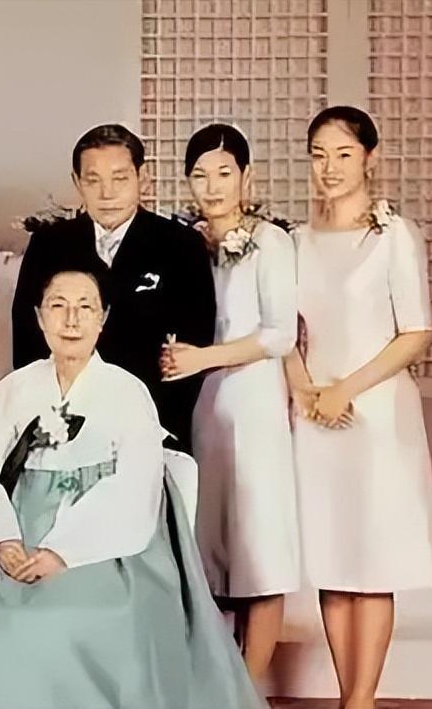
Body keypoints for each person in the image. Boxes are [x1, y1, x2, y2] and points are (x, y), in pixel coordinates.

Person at [0, 263, 264, 709]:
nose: (71, 320)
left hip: (107, 541)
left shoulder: (128, 392)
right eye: (58, 306)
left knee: (62, 622)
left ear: (103, 318)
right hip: (19, 523)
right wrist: (3, 541)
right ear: (39, 317)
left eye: (85, 307)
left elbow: (134, 490)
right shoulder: (12, 390)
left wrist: (63, 552)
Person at [285, 106, 432, 709]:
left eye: (343, 154)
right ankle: (348, 693)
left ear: (369, 159)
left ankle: (362, 699)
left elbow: (414, 333)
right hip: (315, 414)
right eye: (319, 155)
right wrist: (305, 389)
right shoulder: (297, 242)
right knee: (333, 556)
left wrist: (345, 389)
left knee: (372, 559)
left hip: (374, 413)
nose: (329, 167)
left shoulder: (393, 235)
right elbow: (285, 332)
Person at [159, 123, 299, 682]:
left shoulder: (271, 242)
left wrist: (205, 358)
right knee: (208, 545)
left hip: (254, 402)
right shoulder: (182, 244)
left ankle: (250, 688)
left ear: (247, 177)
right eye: (200, 175)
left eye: (224, 173)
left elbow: (279, 334)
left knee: (258, 544)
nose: (213, 186)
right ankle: (216, 680)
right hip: (199, 406)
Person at [12, 124, 215, 452]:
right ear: (77, 182)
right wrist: (53, 418)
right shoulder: (49, 245)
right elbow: (27, 339)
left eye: (119, 179)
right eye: (93, 180)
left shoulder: (180, 245)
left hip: (153, 425)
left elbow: (192, 348)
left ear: (142, 178)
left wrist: (152, 425)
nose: (107, 194)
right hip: (60, 423)